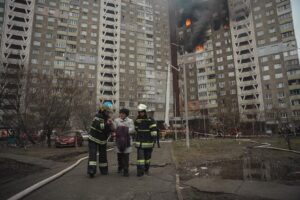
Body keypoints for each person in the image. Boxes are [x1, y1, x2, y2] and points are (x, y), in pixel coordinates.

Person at [87, 101, 114, 178]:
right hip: (93, 139)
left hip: (102, 140)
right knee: (93, 155)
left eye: (109, 112)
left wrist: (111, 128)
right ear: (103, 111)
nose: (109, 113)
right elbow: (100, 127)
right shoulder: (98, 116)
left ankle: (104, 170)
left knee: (103, 155)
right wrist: (108, 124)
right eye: (107, 112)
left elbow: (107, 129)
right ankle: (91, 171)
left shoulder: (107, 119)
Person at [134, 104, 157, 177]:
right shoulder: (137, 120)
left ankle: (146, 170)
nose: (141, 113)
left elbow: (154, 131)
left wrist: (153, 140)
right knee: (140, 159)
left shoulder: (150, 120)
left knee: (147, 159)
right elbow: (136, 129)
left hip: (148, 143)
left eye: (142, 112)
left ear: (145, 112)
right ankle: (140, 172)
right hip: (140, 143)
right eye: (140, 112)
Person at [113, 108, 135, 177]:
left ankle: (126, 170)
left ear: (126, 114)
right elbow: (114, 128)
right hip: (118, 141)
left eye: (123, 113)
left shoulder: (130, 121)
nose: (121, 114)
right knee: (119, 156)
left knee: (126, 157)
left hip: (127, 141)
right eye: (120, 113)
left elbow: (132, 130)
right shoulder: (116, 120)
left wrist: (123, 130)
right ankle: (120, 167)